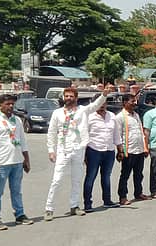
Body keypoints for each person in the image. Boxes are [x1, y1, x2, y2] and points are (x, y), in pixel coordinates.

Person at [44, 87, 109, 221]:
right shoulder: (57, 113)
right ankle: (49, 208)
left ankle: (74, 206)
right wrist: (51, 150)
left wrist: (104, 94)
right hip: (63, 150)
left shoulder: (82, 111)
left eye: (71, 96)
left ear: (76, 98)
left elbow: (95, 105)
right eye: (66, 96)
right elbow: (51, 132)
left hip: (78, 149)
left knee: (77, 179)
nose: (68, 98)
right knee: (57, 180)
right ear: (63, 97)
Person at [0, 94, 33, 230]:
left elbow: (23, 141)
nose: (10, 106)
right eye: (7, 104)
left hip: (17, 161)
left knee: (16, 191)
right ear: (0, 104)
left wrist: (26, 159)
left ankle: (20, 215)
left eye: (12, 104)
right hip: (1, 163)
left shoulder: (17, 120)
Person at [84, 98, 120, 211]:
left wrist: (120, 149)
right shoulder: (89, 117)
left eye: (104, 103)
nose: (102, 105)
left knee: (106, 177)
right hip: (94, 150)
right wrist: (84, 154)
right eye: (99, 103)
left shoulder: (112, 116)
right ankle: (87, 204)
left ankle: (107, 201)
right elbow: (84, 135)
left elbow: (116, 134)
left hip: (109, 151)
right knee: (90, 177)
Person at [115, 93, 149, 205]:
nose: (135, 103)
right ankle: (123, 197)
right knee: (125, 175)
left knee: (139, 174)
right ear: (125, 102)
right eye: (132, 101)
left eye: (135, 101)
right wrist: (120, 151)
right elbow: (117, 136)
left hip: (139, 149)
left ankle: (138, 193)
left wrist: (145, 147)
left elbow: (141, 132)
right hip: (128, 151)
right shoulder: (120, 117)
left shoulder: (136, 115)